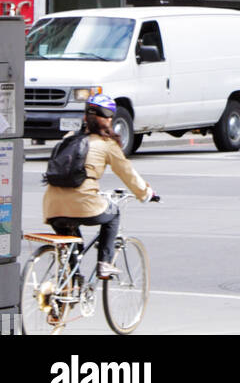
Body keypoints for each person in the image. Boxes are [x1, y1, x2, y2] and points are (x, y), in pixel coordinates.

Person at [43, 94, 159, 279]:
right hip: (84, 203)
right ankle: (105, 264)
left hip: (52, 206)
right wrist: (146, 193)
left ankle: (69, 285)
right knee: (113, 214)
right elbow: (127, 173)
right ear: (108, 119)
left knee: (73, 243)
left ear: (85, 117)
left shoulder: (69, 137)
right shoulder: (106, 144)